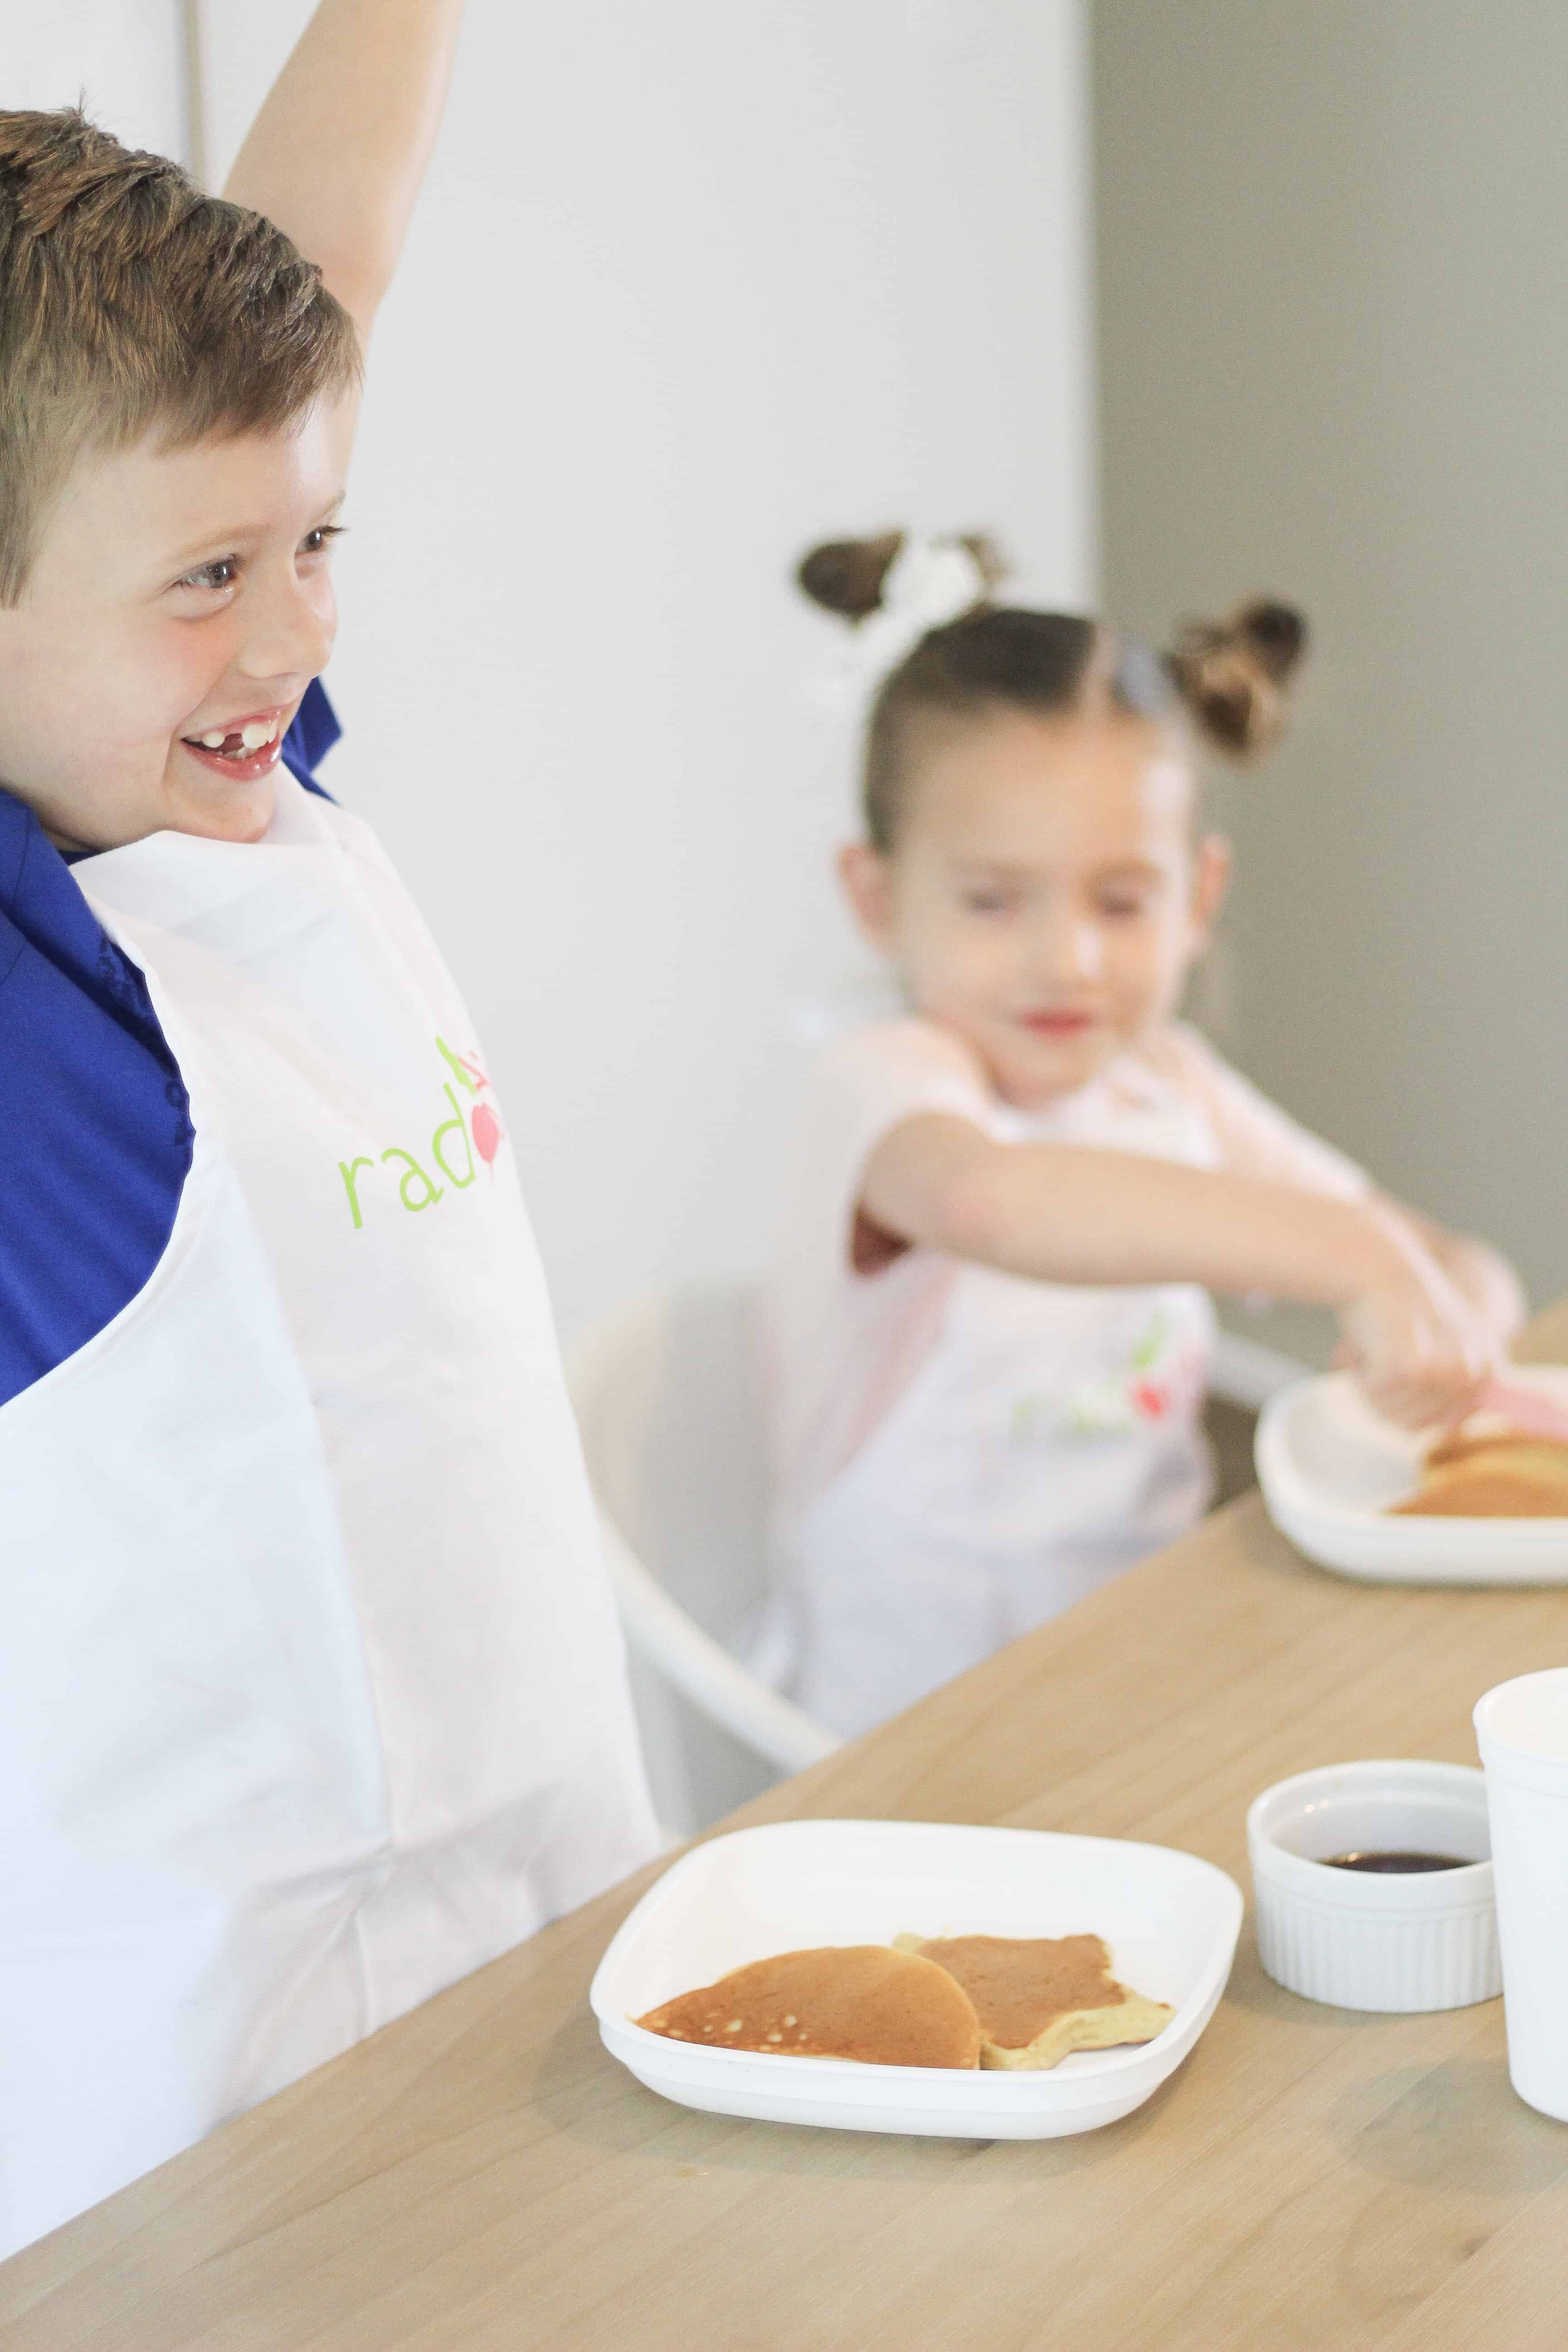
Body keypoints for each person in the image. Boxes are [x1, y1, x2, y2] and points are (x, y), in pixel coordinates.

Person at [0, 2, 655, 2257]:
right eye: (208, 579)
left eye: (316, 541)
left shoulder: (245, 801)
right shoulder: (33, 1010)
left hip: (559, 1923)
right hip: (225, 2140)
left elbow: (327, 256)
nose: (294, 629)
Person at [761, 530, 1523, 1739]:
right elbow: (992, 1203)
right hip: (904, 1735)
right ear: (876, 894)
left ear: (1197, 901)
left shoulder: (1172, 1087)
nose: (1066, 958)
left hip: (1148, 1674)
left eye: (1121, 902)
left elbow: (1452, 1257)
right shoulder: (889, 1088)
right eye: (991, 899)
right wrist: (1356, 1260)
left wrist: (1453, 1314)